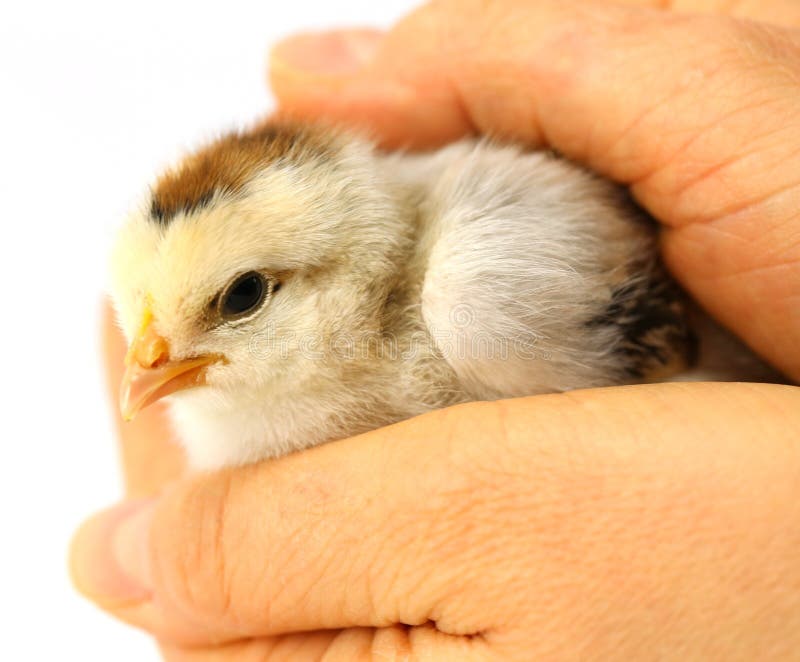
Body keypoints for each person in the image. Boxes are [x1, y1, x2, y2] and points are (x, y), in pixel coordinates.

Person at [71, 1, 800, 659]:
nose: (147, 364)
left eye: (243, 297)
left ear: (348, 264)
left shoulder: (485, 284)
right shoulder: (224, 422)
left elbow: (689, 367)